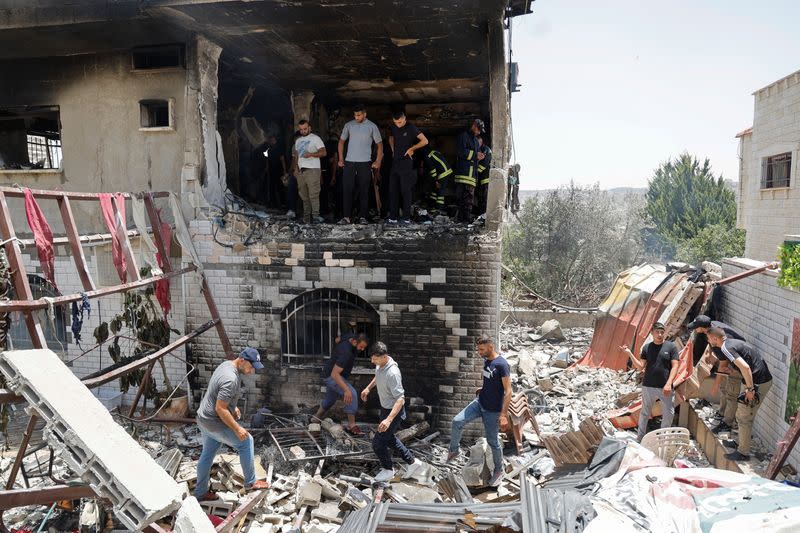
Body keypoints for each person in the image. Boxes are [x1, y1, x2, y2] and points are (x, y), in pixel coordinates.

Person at [194, 348, 270, 501]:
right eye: (251, 366)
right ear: (242, 360)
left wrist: (232, 407)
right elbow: (220, 408)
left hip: (203, 418)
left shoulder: (226, 365)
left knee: (207, 455)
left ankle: (200, 493)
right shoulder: (231, 378)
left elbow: (217, 393)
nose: (252, 370)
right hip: (213, 422)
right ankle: (251, 482)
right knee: (246, 441)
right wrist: (237, 428)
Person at [447, 335, 512, 487]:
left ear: (491, 346)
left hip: (493, 411)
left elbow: (508, 391)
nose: (479, 352)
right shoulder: (486, 361)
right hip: (480, 402)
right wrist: (483, 389)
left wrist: (503, 415)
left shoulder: (502, 365)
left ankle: (498, 470)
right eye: (478, 349)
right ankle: (454, 450)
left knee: (493, 442)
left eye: (481, 349)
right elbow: (490, 380)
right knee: (457, 421)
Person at [360, 342, 426, 482]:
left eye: (375, 359)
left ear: (384, 356)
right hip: (385, 410)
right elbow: (378, 375)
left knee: (377, 443)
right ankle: (413, 463)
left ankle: (388, 470)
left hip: (393, 413)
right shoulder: (380, 364)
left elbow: (400, 399)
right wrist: (368, 388)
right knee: (389, 439)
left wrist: (388, 419)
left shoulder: (393, 373)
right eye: (371, 358)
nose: (372, 362)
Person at [706, 327, 773, 461]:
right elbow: (746, 362)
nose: (708, 341)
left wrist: (750, 389)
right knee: (742, 414)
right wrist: (732, 370)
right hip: (758, 379)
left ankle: (743, 453)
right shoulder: (731, 342)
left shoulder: (725, 348)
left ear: (715, 338)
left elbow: (746, 367)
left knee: (743, 417)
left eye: (708, 338)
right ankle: (739, 443)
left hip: (757, 383)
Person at [620, 322, 680, 441]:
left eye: (662, 332)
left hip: (665, 387)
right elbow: (640, 367)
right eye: (657, 332)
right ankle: (640, 437)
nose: (660, 334)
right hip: (648, 386)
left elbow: (675, 366)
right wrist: (629, 353)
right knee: (645, 413)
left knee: (668, 413)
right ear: (652, 333)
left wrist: (669, 383)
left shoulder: (671, 347)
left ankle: (663, 438)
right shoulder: (647, 347)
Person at [688, 314, 746, 431]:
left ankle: (727, 423)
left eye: (696, 327)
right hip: (730, 358)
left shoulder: (719, 340)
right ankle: (722, 413)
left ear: (703, 328)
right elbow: (711, 343)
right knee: (724, 389)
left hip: (738, 363)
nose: (695, 329)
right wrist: (709, 353)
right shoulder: (711, 328)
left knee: (731, 394)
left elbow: (723, 364)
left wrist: (715, 385)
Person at [314, 333, 370, 436]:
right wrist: (346, 390)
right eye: (361, 347)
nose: (362, 349)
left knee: (330, 400)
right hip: (332, 376)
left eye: (364, 347)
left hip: (331, 373)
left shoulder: (350, 337)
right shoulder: (346, 353)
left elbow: (337, 339)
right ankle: (352, 426)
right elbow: (335, 374)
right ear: (354, 342)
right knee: (351, 394)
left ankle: (314, 420)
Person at [337, 104, 383, 224]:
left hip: (365, 163)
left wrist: (378, 161)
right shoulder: (349, 125)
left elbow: (380, 145)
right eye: (355, 115)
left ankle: (363, 216)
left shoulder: (372, 126)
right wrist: (341, 158)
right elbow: (341, 142)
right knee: (347, 189)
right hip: (349, 162)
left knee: (364, 190)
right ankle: (346, 217)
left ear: (364, 114)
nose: (356, 117)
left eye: (359, 115)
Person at [387, 110, 428, 224]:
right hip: (395, 163)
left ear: (404, 119)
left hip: (406, 162)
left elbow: (425, 141)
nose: (398, 125)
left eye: (400, 122)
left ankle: (406, 218)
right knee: (393, 190)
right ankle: (393, 218)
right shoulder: (393, 126)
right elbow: (391, 137)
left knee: (405, 190)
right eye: (396, 122)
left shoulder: (411, 128)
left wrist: (412, 149)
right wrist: (392, 149)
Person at [291, 120, 326, 224]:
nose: (303, 131)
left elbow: (324, 152)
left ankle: (315, 217)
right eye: (301, 129)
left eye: (305, 129)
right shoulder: (298, 141)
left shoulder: (315, 138)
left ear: (309, 128)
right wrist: (295, 169)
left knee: (313, 194)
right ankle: (306, 219)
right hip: (301, 171)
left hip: (313, 169)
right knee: (304, 196)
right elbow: (296, 156)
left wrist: (311, 155)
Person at [453, 119, 484, 222]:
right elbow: (461, 152)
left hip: (472, 176)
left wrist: (479, 156)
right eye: (478, 130)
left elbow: (475, 155)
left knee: (469, 200)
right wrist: (475, 155)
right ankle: (462, 220)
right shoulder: (463, 136)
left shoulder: (475, 140)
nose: (479, 132)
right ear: (474, 125)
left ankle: (465, 220)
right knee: (462, 199)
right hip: (463, 174)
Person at [423, 146, 453, 212]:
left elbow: (433, 170)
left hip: (443, 173)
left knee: (440, 191)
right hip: (447, 170)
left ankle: (439, 210)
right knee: (435, 190)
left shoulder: (427, 156)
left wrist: (436, 180)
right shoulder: (434, 152)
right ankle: (432, 207)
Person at [265, 134, 287, 208]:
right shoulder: (269, 149)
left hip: (279, 170)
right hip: (271, 171)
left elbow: (282, 159)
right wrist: (267, 168)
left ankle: (283, 203)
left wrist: (284, 170)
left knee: (280, 187)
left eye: (273, 140)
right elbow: (267, 160)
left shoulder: (279, 148)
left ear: (275, 140)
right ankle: (272, 203)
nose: (271, 141)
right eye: (270, 140)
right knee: (271, 187)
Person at [475, 136, 492, 216]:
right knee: (480, 196)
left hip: (485, 178)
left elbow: (484, 163)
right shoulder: (478, 150)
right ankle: (480, 213)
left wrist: (476, 171)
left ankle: (484, 214)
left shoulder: (486, 150)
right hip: (480, 178)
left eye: (478, 143)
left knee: (485, 197)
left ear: (481, 142)